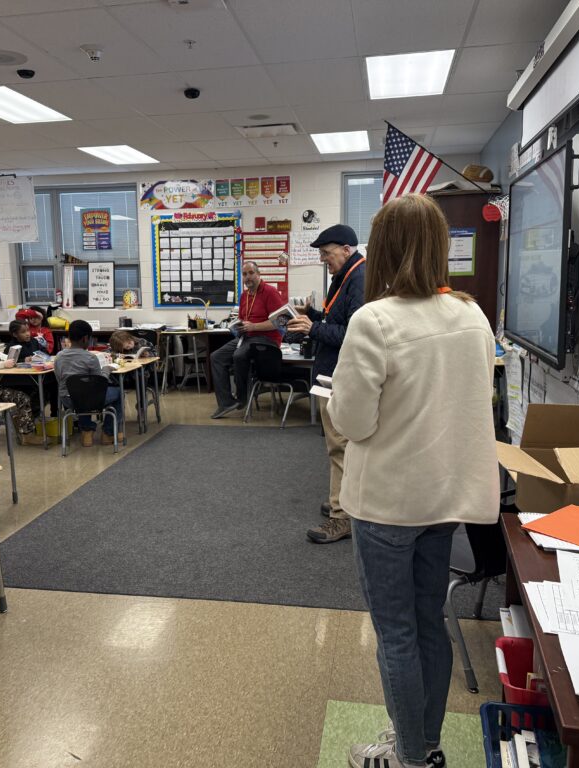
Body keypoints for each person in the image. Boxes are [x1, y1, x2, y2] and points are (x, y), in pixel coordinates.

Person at [328, 194, 498, 768]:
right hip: (444, 497)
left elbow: (353, 422)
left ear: (384, 251)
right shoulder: (472, 315)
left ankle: (406, 754)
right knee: (429, 625)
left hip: (386, 505)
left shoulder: (374, 320)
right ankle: (424, 745)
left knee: (396, 633)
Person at [287, 224, 366, 544]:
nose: (323, 259)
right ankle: (341, 499)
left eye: (327, 253)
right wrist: (315, 314)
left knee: (340, 447)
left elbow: (356, 334)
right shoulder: (347, 275)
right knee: (338, 447)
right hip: (331, 373)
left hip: (340, 375)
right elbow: (339, 320)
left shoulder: (359, 278)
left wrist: (312, 328)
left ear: (346, 250)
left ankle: (342, 515)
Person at [209, 261, 285, 419]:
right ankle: (226, 402)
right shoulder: (245, 296)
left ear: (258, 274)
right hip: (247, 337)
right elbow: (244, 319)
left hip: (266, 339)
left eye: (251, 273)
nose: (248, 277)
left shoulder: (270, 292)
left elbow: (280, 322)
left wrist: (254, 327)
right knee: (216, 357)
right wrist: (238, 326)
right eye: (244, 274)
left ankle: (242, 398)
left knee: (239, 355)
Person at [54, 320, 124, 447]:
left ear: (69, 337)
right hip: (90, 398)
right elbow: (99, 384)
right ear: (86, 338)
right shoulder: (90, 358)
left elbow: (59, 378)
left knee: (80, 393)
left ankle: (87, 433)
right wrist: (106, 370)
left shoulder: (59, 356)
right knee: (118, 393)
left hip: (67, 399)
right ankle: (108, 433)